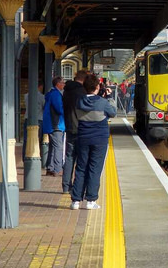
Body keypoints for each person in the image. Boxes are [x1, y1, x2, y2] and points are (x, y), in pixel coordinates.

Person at [70, 73, 117, 210]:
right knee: (95, 168)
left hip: (83, 137)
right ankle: (91, 200)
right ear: (97, 87)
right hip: (100, 139)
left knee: (80, 167)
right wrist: (109, 97)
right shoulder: (102, 102)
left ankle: (76, 201)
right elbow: (113, 112)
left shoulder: (79, 101)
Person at [61, 69, 88, 196]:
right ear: (83, 80)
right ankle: (78, 187)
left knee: (69, 157)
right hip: (81, 128)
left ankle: (66, 186)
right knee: (82, 159)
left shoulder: (66, 91)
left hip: (69, 126)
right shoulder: (82, 92)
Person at [42, 77, 66, 176]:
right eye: (62, 83)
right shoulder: (56, 94)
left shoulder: (50, 94)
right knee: (58, 147)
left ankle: (50, 167)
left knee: (52, 146)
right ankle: (57, 169)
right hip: (56, 124)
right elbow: (60, 109)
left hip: (51, 124)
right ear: (58, 84)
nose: (64, 84)